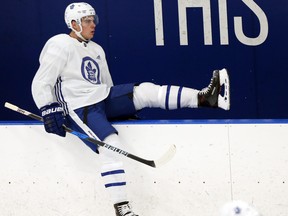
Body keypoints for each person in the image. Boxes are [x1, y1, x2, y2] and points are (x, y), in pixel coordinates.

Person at [31, 2, 230, 216]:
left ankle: (204, 98)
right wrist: (48, 108)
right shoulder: (60, 44)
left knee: (144, 91)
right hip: (78, 107)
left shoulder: (97, 49)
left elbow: (107, 86)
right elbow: (41, 82)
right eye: (87, 21)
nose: (93, 24)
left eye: (93, 20)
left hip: (102, 98)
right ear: (73, 24)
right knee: (110, 146)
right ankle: (122, 209)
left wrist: (122, 107)